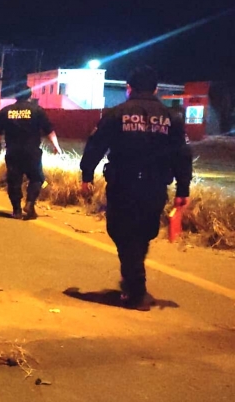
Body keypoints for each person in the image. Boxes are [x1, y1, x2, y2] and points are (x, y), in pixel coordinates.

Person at [80, 66, 192, 311]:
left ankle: (136, 289)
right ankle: (132, 278)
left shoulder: (117, 113)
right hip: (155, 186)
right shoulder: (172, 117)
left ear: (129, 88)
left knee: (122, 232)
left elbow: (96, 145)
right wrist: (183, 189)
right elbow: (182, 155)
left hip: (123, 184)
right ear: (156, 89)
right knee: (143, 232)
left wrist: (86, 175)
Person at [0, 83, 62, 220]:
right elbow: (49, 130)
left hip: (13, 152)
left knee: (14, 181)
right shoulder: (37, 110)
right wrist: (56, 146)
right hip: (32, 152)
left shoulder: (5, 111)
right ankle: (30, 203)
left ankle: (17, 210)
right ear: (30, 95)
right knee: (37, 178)